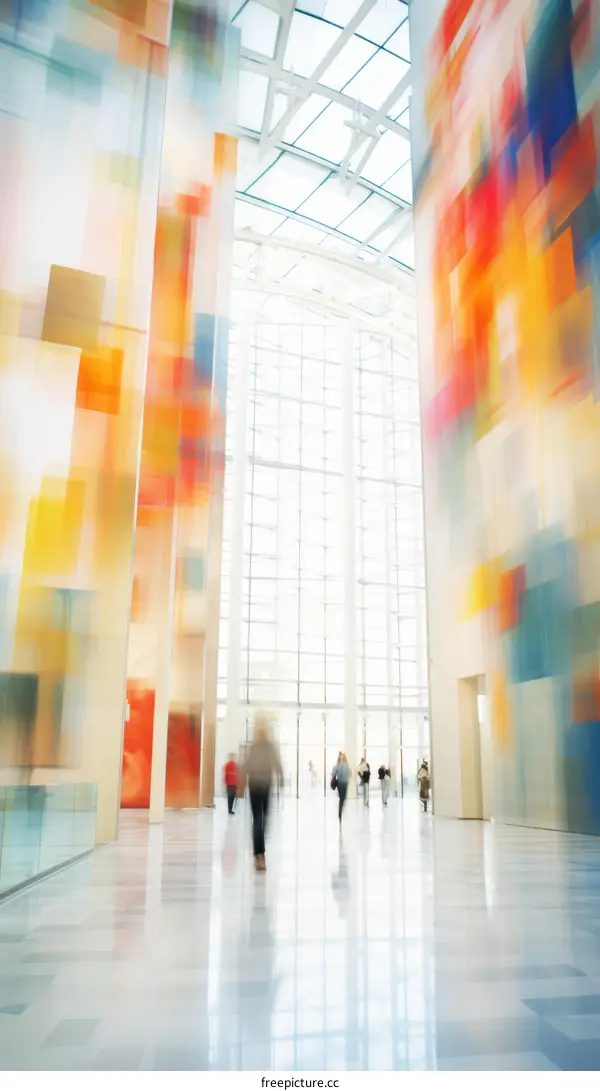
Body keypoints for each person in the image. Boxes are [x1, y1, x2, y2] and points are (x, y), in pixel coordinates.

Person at [243, 713, 283, 871]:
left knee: (263, 819)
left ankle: (259, 854)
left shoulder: (269, 747)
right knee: (258, 820)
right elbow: (248, 764)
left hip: (265, 786)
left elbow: (276, 762)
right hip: (255, 786)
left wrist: (280, 773)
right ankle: (260, 854)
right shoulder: (254, 747)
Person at [331, 752, 350, 828]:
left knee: (343, 798)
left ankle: (340, 810)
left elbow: (348, 774)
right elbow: (333, 774)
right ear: (339, 758)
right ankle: (340, 814)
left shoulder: (346, 766)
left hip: (345, 783)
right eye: (340, 758)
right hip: (340, 784)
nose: (341, 759)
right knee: (342, 799)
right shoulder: (337, 766)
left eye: (342, 757)